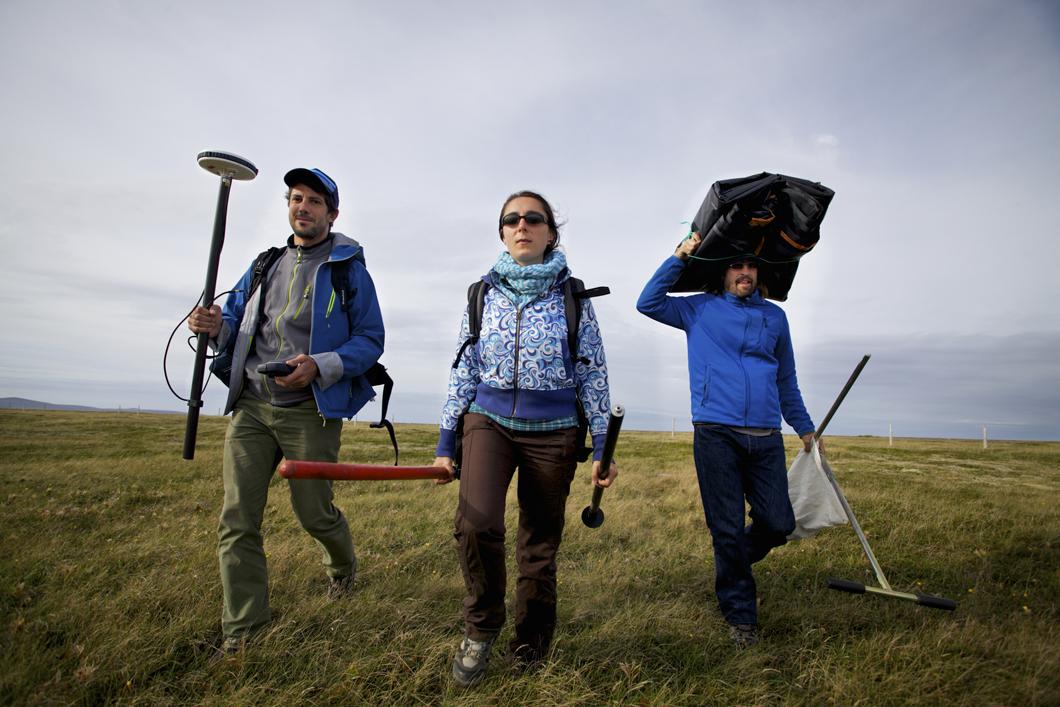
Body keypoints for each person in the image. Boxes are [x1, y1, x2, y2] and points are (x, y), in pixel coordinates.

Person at [187, 167, 385, 659]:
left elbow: (370, 340)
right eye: (296, 198)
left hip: (309, 412)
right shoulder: (264, 265)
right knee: (237, 519)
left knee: (314, 513)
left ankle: (342, 569)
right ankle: (244, 631)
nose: (303, 207)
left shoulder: (349, 270)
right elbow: (232, 319)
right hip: (252, 407)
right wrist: (211, 326)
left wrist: (319, 365)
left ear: (331, 213)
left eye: (315, 200)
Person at [433, 191, 617, 687]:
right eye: (511, 219)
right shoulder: (481, 294)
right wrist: (447, 440)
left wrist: (602, 445)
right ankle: (480, 628)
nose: (522, 225)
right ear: (502, 232)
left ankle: (531, 644)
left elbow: (593, 372)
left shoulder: (573, 296)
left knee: (538, 547)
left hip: (554, 433)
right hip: (487, 422)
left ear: (550, 233)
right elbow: (463, 368)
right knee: (475, 526)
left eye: (533, 219)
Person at [636, 231, 818, 649]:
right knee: (728, 528)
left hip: (766, 435)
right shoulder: (698, 309)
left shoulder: (775, 318)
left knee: (778, 523)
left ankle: (729, 565)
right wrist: (680, 255)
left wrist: (804, 427)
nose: (745, 272)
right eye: (737, 266)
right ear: (723, 273)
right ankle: (741, 617)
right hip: (716, 433)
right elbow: (648, 302)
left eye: (751, 266)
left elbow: (786, 378)